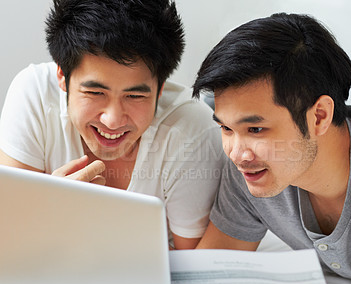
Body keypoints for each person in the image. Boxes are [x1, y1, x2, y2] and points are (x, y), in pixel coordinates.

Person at [192, 12, 351, 284]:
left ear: (319, 117)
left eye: (256, 130)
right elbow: (204, 283)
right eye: (225, 128)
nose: (237, 153)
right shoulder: (252, 170)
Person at [0, 0, 224, 249]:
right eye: (95, 92)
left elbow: (193, 265)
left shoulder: (193, 130)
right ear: (62, 76)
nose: (113, 120)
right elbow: (8, 235)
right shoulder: (35, 94)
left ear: (160, 89)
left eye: (135, 96)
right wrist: (49, 212)